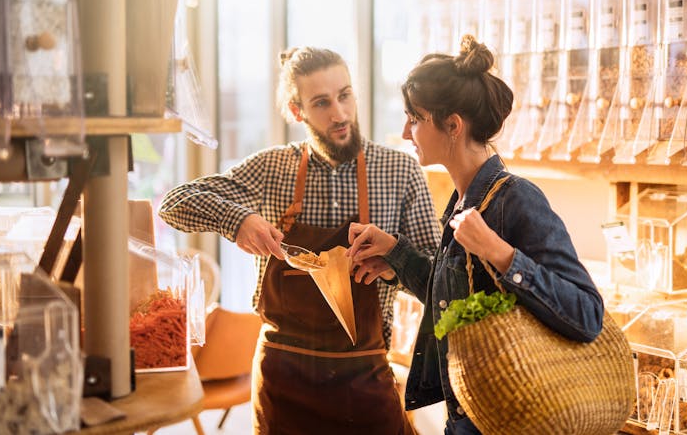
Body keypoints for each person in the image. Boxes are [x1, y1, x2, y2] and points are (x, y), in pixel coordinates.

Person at [158, 46, 441, 434]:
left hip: (365, 379)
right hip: (283, 383)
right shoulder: (271, 167)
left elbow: (437, 277)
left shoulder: (400, 171)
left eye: (345, 95)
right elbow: (174, 203)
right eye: (321, 103)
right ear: (297, 111)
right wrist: (238, 219)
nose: (339, 114)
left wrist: (394, 259)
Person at [346, 34, 605, 435]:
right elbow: (458, 298)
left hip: (510, 423)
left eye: (415, 119)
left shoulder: (517, 199)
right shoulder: (464, 202)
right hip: (470, 417)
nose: (404, 132)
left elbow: (587, 315)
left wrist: (501, 254)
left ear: (453, 125)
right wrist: (396, 256)